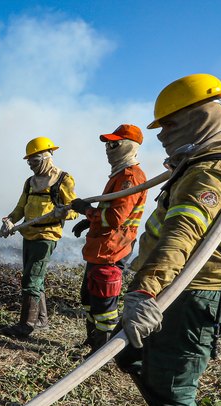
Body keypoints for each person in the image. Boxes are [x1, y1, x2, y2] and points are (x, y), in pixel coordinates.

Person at [120, 74, 221, 406]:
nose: (160, 135)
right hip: (178, 290)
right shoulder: (198, 162)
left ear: (197, 116)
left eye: (168, 125)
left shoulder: (210, 170)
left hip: (195, 295)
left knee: (173, 382)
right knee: (132, 356)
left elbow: (182, 234)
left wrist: (145, 289)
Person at [70, 125, 148, 353]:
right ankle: (92, 342)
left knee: (104, 305)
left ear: (128, 146)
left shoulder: (130, 177)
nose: (108, 149)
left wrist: (86, 210)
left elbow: (115, 218)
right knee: (89, 297)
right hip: (101, 248)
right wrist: (90, 221)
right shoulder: (119, 175)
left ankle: (99, 354)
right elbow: (112, 212)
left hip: (112, 252)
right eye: (107, 144)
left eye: (113, 144)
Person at [0, 136, 78, 337]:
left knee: (31, 280)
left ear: (46, 158)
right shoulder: (30, 182)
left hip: (46, 236)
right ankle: (41, 319)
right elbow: (20, 208)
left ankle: (26, 326)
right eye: (29, 162)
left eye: (34, 162)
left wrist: (64, 213)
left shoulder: (63, 179)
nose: (30, 166)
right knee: (35, 278)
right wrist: (10, 220)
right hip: (29, 234)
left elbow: (75, 209)